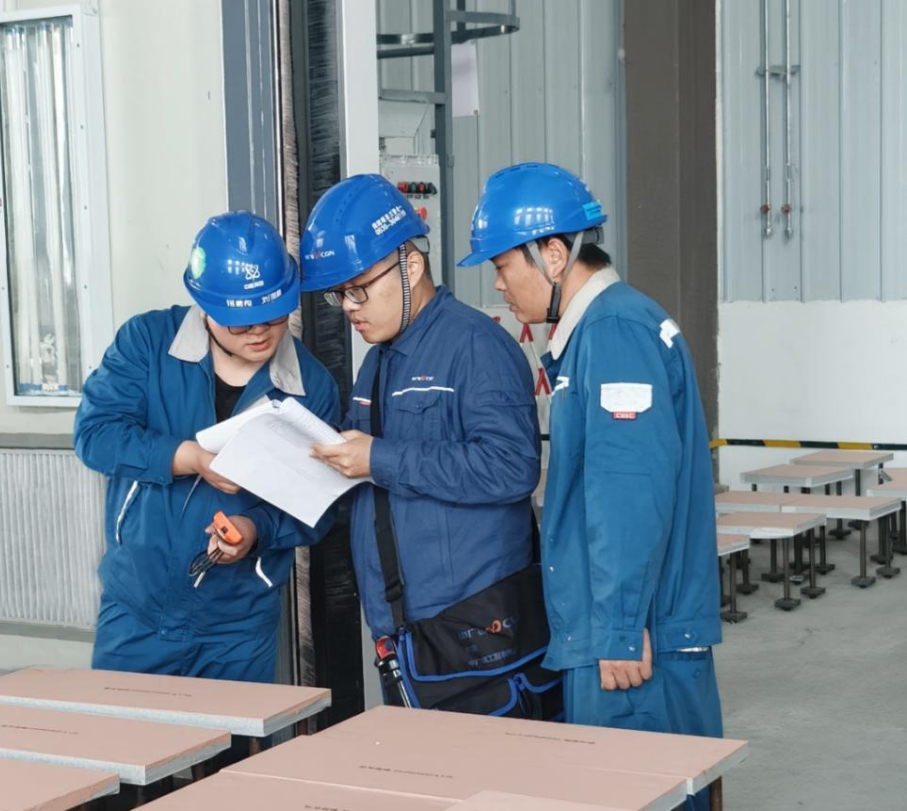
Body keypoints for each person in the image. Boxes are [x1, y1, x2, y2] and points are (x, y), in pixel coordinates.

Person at [459, 162, 721, 806]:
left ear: (553, 254)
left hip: (630, 646)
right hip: (619, 631)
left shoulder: (613, 333)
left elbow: (628, 494)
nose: (499, 284)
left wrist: (621, 630)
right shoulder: (601, 332)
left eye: (503, 265)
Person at [302, 174, 557, 717]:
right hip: (403, 630)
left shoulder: (475, 345)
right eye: (338, 294)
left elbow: (511, 467)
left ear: (411, 267)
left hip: (476, 629)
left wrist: (378, 458)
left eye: (358, 288)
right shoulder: (377, 361)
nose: (348, 307)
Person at [75, 211, 339, 684]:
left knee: (234, 736)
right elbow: (95, 435)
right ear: (205, 307)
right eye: (241, 322)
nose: (260, 332)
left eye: (275, 316)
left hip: (237, 626)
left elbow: (319, 504)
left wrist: (256, 529)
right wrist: (187, 458)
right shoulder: (147, 344)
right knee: (120, 729)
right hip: (137, 610)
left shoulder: (311, 386)